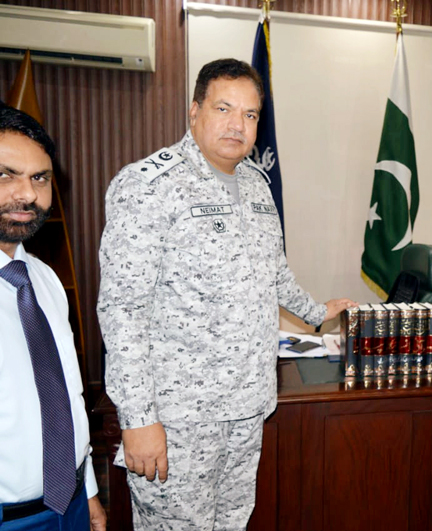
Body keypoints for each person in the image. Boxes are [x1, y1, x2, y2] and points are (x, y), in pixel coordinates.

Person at [97, 59, 355, 530]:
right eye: (224, 108)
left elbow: (272, 272)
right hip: (178, 420)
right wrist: (137, 419)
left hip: (246, 406)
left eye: (251, 114)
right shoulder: (148, 186)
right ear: (194, 111)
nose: (238, 124)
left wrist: (318, 312)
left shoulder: (256, 183)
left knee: (232, 523)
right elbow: (122, 310)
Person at [0, 106, 106, 530]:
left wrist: (91, 492)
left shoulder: (43, 279)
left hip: (71, 504)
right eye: (5, 174)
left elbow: (67, 398)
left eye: (39, 178)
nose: (26, 194)